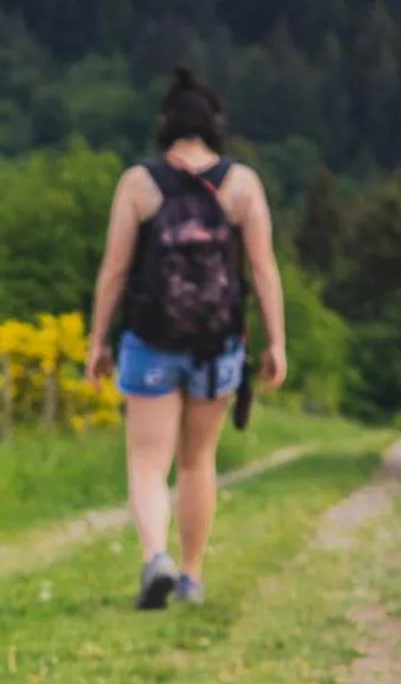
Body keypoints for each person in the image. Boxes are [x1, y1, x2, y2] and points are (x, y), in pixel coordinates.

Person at [87, 68, 287, 610]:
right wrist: (276, 342)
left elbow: (115, 270)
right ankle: (192, 576)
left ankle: (157, 557)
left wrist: (98, 341)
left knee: (148, 461)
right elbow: (263, 268)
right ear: (215, 125)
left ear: (165, 124)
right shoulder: (242, 184)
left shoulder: (138, 184)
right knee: (198, 461)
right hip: (216, 346)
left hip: (151, 340)